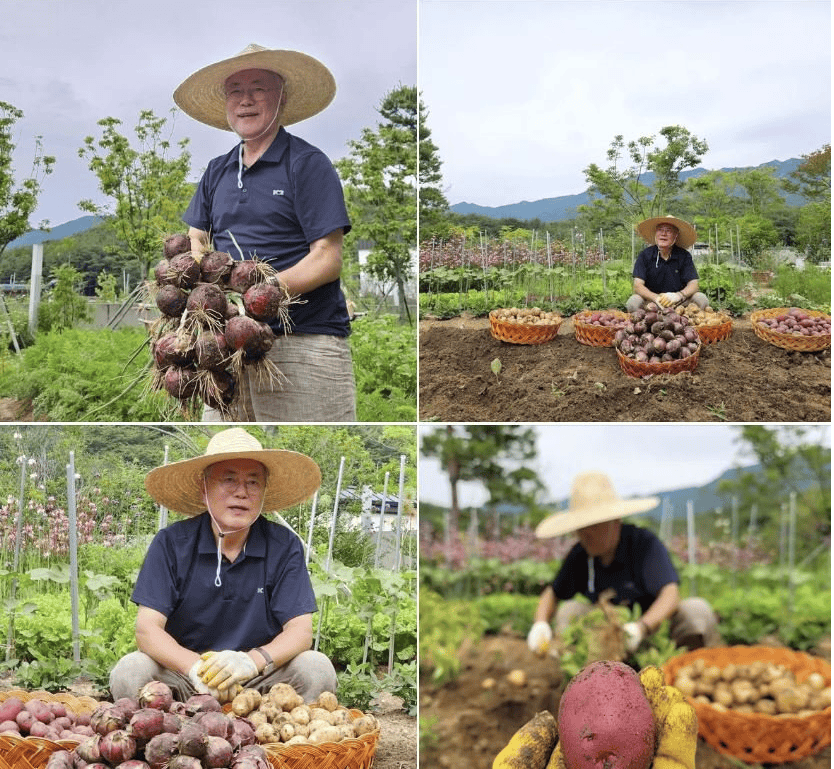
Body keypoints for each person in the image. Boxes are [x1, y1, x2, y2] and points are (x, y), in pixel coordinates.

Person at [173, 44, 355, 422]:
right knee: (228, 448)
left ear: (282, 98)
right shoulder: (216, 171)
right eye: (235, 91)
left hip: (301, 342)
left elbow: (327, 257)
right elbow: (197, 239)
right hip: (225, 350)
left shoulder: (307, 164)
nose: (246, 100)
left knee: (302, 444)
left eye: (259, 89)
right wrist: (200, 298)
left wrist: (256, 300)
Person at [109, 427, 337, 703]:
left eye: (253, 482)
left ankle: (276, 737)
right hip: (185, 677)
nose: (241, 492)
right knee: (130, 671)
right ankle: (173, 735)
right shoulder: (171, 543)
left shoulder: (283, 545)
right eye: (229, 480)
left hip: (258, 679)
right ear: (204, 489)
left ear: (264, 491)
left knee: (317, 668)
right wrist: (196, 668)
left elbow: (300, 632)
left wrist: (250, 662)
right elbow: (147, 630)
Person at [526, 471, 719, 657]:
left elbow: (670, 594)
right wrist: (540, 624)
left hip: (655, 632)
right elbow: (552, 593)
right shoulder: (580, 554)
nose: (585, 534)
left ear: (615, 521)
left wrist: (640, 628)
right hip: (606, 639)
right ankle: (587, 678)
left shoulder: (643, 544)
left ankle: (692, 667)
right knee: (570, 611)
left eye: (592, 525)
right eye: (580, 527)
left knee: (696, 611)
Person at [626, 215, 710, 314]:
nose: (663, 234)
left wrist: (679, 295)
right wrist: (656, 298)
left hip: (679, 302)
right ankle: (647, 321)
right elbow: (637, 285)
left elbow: (694, 284)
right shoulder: (645, 255)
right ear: (655, 234)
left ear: (675, 235)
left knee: (701, 298)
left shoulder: (684, 255)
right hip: (652, 302)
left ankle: (687, 320)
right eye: (660, 230)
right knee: (633, 302)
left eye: (668, 231)